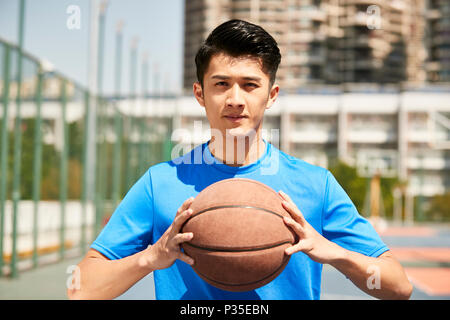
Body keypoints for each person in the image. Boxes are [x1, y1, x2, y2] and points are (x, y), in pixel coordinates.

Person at [67, 19, 412, 300]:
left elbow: (399, 287)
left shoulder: (315, 185)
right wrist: (151, 257)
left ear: (271, 95)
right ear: (199, 94)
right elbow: (79, 289)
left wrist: (331, 251)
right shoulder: (161, 183)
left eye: (250, 85)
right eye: (221, 84)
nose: (235, 99)